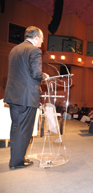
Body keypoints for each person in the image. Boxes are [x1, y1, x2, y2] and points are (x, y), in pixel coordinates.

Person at [4, 26, 49, 169]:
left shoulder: (14, 50)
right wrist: (45, 76)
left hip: (13, 96)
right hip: (27, 97)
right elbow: (36, 74)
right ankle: (17, 162)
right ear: (36, 37)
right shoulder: (34, 50)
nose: (42, 42)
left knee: (16, 128)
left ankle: (16, 159)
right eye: (42, 39)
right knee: (24, 130)